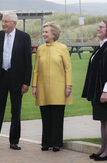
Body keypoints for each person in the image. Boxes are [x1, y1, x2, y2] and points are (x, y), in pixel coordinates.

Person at [0, 11, 32, 151]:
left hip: (16, 79)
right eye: (2, 21)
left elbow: (28, 62)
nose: (3, 24)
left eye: (6, 21)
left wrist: (26, 82)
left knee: (16, 111)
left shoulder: (24, 37)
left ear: (14, 23)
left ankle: (14, 141)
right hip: (0, 78)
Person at [82, 19, 107, 161]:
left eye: (101, 27)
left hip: (106, 92)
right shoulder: (102, 46)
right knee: (103, 120)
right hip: (98, 91)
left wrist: (105, 92)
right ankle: (103, 149)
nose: (98, 29)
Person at [32, 21, 73, 152]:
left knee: (57, 116)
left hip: (59, 88)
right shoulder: (40, 49)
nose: (43, 34)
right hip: (42, 87)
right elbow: (36, 69)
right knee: (45, 116)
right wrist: (34, 86)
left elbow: (68, 69)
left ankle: (56, 143)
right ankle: (45, 142)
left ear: (54, 34)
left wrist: (68, 85)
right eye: (43, 32)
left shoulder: (62, 48)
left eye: (46, 32)